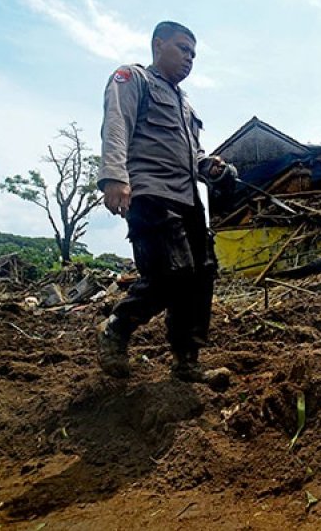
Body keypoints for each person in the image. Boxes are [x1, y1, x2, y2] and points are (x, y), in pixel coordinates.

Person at [97, 21, 229, 382]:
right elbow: (116, 124)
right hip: (150, 192)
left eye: (194, 54)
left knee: (201, 274)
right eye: (183, 49)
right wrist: (114, 176)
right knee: (172, 272)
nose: (189, 58)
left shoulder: (185, 104)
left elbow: (193, 153)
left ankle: (187, 361)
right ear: (158, 45)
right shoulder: (132, 78)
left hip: (188, 199)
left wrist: (209, 166)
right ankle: (117, 328)